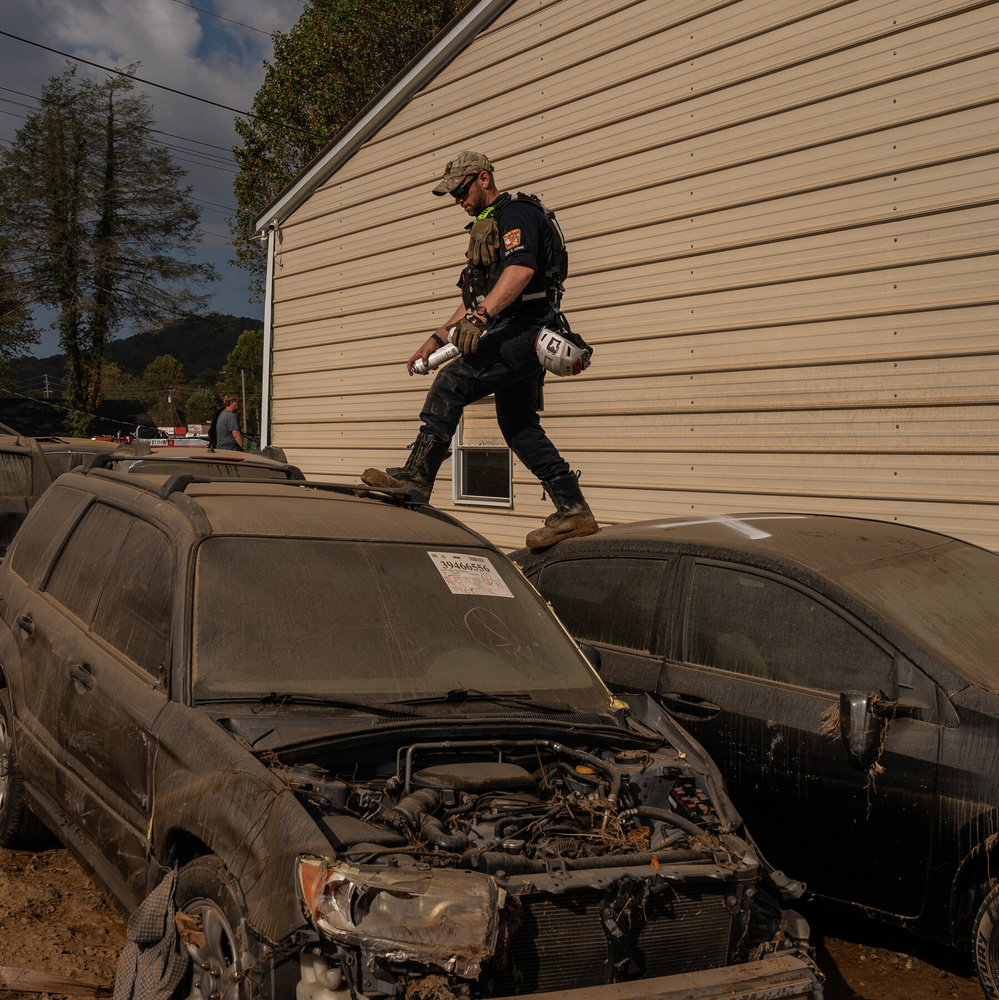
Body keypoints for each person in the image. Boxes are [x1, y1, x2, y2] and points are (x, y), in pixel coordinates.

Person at [361, 151, 597, 548]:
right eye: (451, 193)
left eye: (460, 189)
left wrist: (483, 317)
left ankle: (416, 478)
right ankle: (574, 511)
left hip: (527, 327)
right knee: (519, 427)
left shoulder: (516, 214)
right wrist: (437, 338)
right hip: (511, 329)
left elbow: (519, 272)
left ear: (483, 178)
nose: (457, 199)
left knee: (452, 382)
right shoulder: (484, 226)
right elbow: (473, 299)